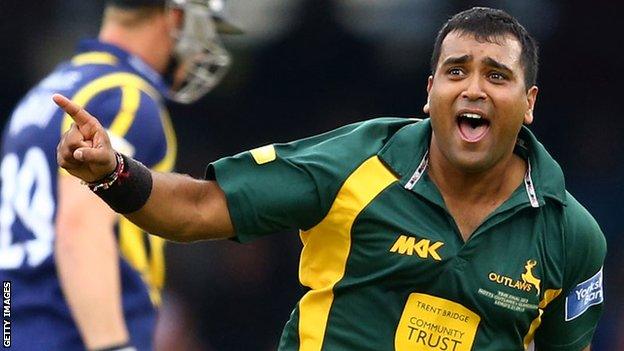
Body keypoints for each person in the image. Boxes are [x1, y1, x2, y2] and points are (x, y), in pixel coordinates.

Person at [55, 7, 606, 351]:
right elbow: (198, 209)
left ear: (529, 103)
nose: (474, 89)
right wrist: (114, 172)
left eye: (497, 76)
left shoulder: (571, 235)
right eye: (456, 71)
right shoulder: (358, 162)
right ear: (430, 90)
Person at [0, 0, 240, 350]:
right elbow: (80, 224)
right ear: (175, 16)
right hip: (69, 335)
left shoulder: (44, 94)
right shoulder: (125, 97)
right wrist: (113, 345)